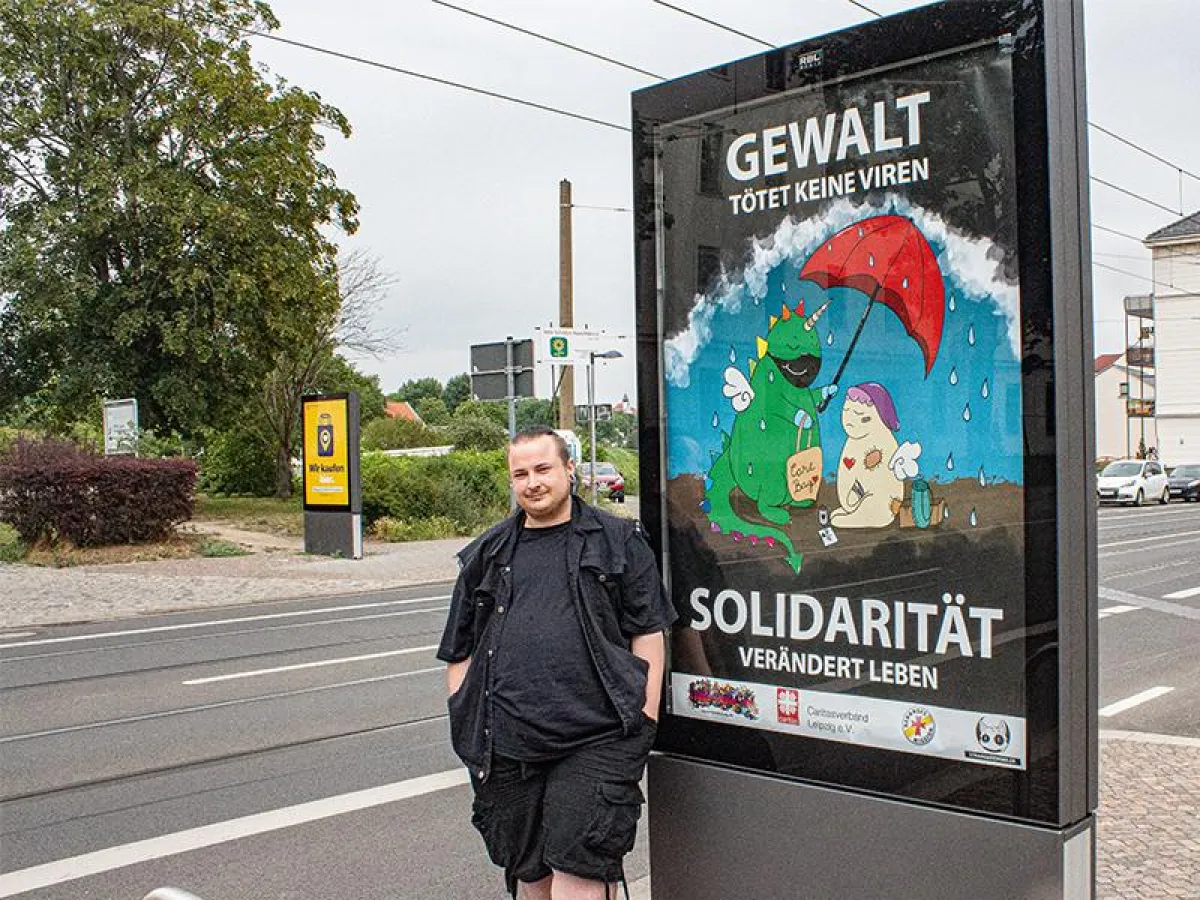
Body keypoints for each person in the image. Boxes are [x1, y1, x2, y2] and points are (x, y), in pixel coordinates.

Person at [438, 426, 676, 899]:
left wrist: (643, 720)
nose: (532, 482)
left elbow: (648, 632)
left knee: (580, 876)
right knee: (531, 878)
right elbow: (458, 648)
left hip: (597, 739)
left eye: (543, 468)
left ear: (569, 469)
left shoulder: (618, 540)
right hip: (506, 747)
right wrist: (467, 719)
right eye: (520, 473)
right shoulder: (488, 554)